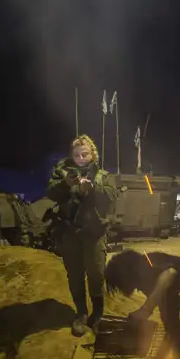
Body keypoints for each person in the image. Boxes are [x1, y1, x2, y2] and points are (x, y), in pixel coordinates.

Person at [47, 135, 119, 336]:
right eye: (76, 155)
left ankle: (97, 313)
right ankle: (81, 313)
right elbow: (51, 193)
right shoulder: (63, 173)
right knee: (75, 275)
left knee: (96, 273)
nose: (80, 158)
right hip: (70, 232)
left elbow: (112, 197)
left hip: (94, 233)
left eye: (84, 154)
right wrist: (66, 185)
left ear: (93, 154)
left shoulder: (103, 175)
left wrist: (93, 189)